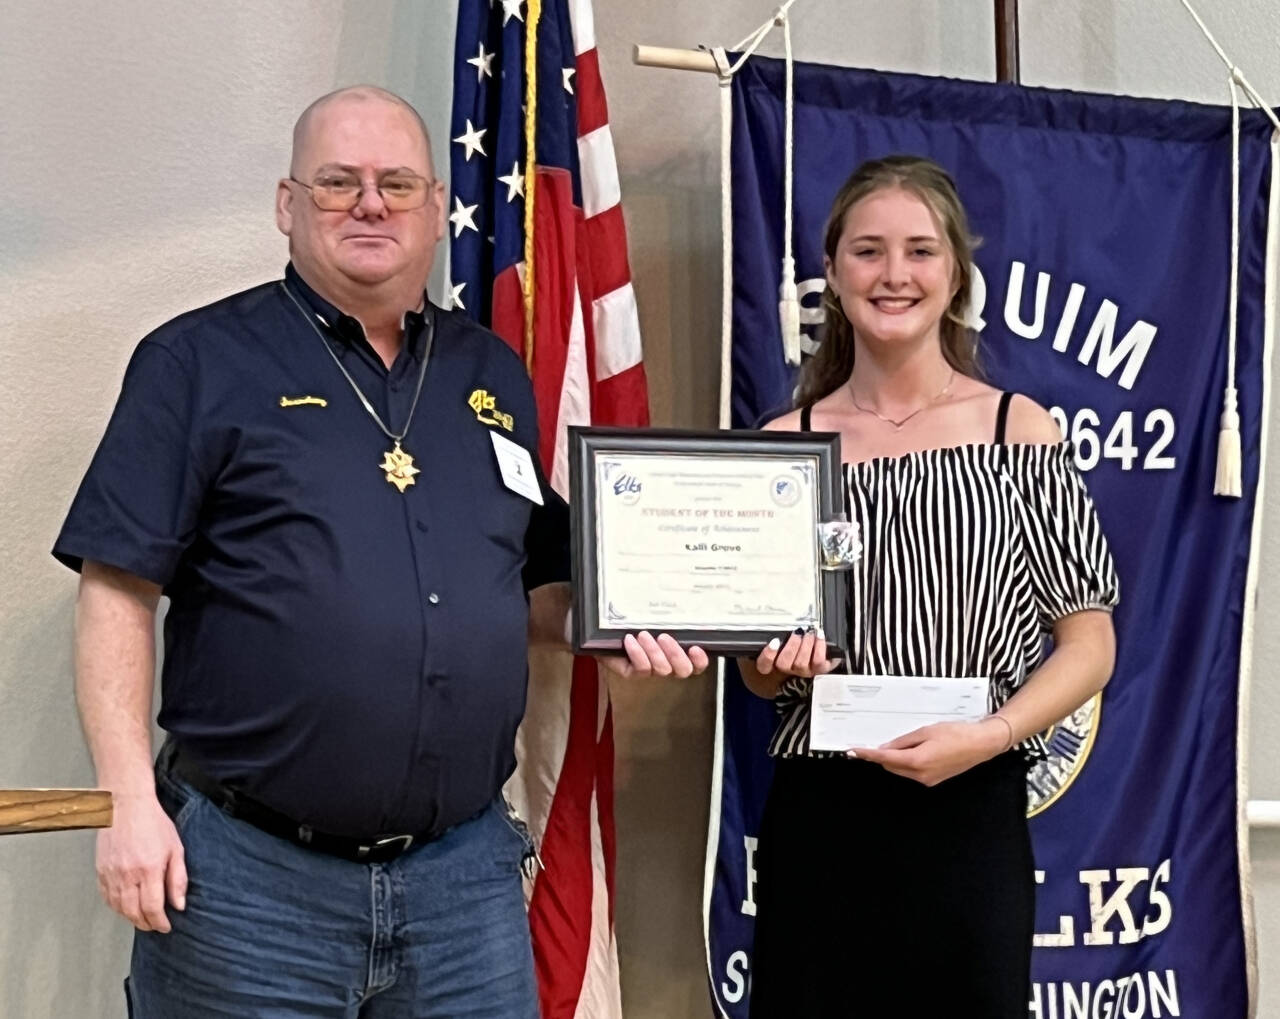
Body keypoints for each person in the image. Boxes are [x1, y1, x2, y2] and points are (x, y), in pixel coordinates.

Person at [53, 85, 706, 1018]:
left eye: (398, 183)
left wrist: (633, 619)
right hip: (250, 886)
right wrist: (126, 801)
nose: (370, 203)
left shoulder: (490, 373)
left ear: (438, 209)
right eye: (337, 182)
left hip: (461, 887)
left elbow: (528, 587)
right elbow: (117, 588)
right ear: (288, 205)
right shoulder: (196, 362)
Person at [738, 155, 1119, 1018]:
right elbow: (760, 675)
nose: (894, 274)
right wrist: (769, 658)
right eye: (868, 251)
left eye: (919, 250)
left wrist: (990, 735)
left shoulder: (1014, 428)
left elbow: (1089, 644)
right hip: (822, 813)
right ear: (832, 275)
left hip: (968, 808)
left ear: (956, 275)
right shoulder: (783, 442)